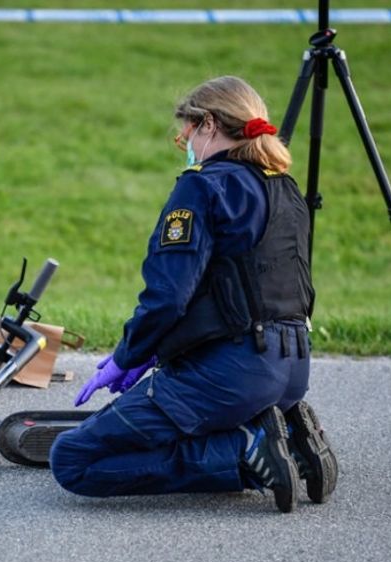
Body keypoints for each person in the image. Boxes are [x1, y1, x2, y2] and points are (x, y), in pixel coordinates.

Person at [45, 76, 337, 513]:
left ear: (209, 125)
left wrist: (127, 357)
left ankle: (247, 452)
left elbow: (168, 296)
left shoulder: (202, 186)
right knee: (166, 423)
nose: (182, 140)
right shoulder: (285, 188)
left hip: (232, 375)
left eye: (185, 130)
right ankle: (286, 436)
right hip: (292, 370)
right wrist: (153, 355)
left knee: (72, 459)